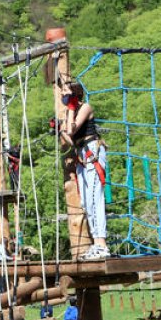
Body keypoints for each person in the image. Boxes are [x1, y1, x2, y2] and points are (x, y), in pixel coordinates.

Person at [59, 82, 110, 260]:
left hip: (92, 151)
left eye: (66, 92)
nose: (63, 95)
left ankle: (101, 244)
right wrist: (61, 128)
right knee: (87, 202)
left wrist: (71, 110)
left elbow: (72, 129)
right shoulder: (69, 112)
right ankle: (96, 244)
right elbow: (68, 138)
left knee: (95, 199)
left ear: (75, 94)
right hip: (81, 153)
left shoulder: (85, 107)